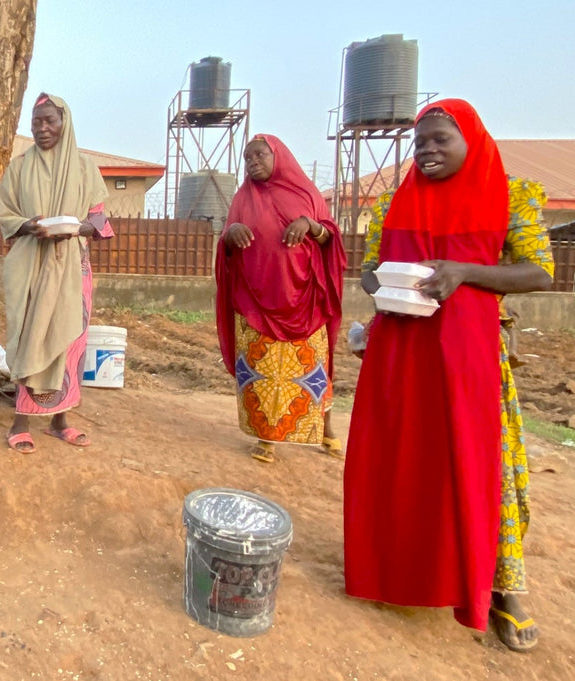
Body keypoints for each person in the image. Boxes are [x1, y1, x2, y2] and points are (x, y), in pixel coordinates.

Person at [345, 99, 553, 651]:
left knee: (482, 472)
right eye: (421, 143)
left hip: (469, 359)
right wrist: (387, 285)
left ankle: (501, 592)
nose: (430, 151)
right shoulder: (395, 201)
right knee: (402, 462)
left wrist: (465, 272)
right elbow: (368, 269)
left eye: (442, 140)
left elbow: (538, 273)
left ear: (472, 140)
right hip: (401, 352)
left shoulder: (512, 195)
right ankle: (396, 573)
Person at [214, 134, 347, 463]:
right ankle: (266, 436)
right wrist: (229, 236)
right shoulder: (243, 197)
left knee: (311, 368)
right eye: (247, 158)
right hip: (254, 300)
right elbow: (226, 242)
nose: (253, 161)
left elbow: (330, 235)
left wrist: (310, 225)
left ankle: (325, 429)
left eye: (260, 154)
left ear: (279, 157)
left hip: (304, 298)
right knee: (262, 370)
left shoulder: (305, 193)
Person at [0, 93, 113, 454]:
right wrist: (29, 225)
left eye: (50, 121)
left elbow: (99, 220)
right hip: (31, 266)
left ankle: (61, 419)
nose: (43, 128)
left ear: (65, 122)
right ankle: (21, 421)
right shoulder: (19, 168)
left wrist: (77, 229)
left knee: (69, 342)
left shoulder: (84, 168)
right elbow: (6, 215)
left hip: (72, 269)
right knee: (31, 336)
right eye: (37, 123)